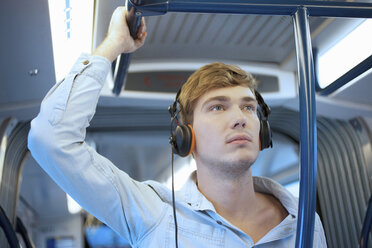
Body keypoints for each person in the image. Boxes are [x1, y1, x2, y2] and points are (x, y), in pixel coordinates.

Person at [28, 6, 327, 248]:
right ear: (185, 136)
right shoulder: (153, 213)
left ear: (263, 132)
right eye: (218, 107)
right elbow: (51, 138)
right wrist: (112, 45)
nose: (241, 118)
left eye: (248, 106)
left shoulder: (305, 223)